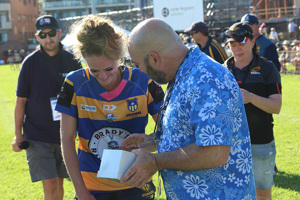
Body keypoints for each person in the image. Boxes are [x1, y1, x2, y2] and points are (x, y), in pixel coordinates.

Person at [120, 18, 256, 199]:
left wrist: (155, 162)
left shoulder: (207, 79)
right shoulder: (184, 73)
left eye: (139, 65)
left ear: (154, 58)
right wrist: (151, 141)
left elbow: (214, 152)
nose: (141, 72)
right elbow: (189, 134)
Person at [55, 15, 164, 200]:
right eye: (94, 71)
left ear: (120, 57)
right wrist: (80, 191)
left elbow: (170, 133)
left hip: (137, 182)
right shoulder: (74, 83)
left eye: (108, 69)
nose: (103, 77)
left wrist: (148, 141)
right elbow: (66, 140)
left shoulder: (143, 80)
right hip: (91, 187)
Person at [12, 15, 82, 200]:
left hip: (65, 136)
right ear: (37, 37)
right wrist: (18, 135)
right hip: (37, 137)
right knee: (50, 186)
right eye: (43, 35)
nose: (48, 39)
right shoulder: (29, 63)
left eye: (51, 33)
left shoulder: (72, 60)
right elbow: (20, 102)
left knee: (59, 184)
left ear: (59, 33)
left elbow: (83, 98)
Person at [223, 22, 282, 200]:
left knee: (262, 193)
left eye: (241, 43)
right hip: (229, 143)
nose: (237, 48)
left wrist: (251, 98)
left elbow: (276, 106)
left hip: (260, 142)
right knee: (233, 193)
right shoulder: (223, 69)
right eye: (233, 44)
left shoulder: (267, 67)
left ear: (252, 41)